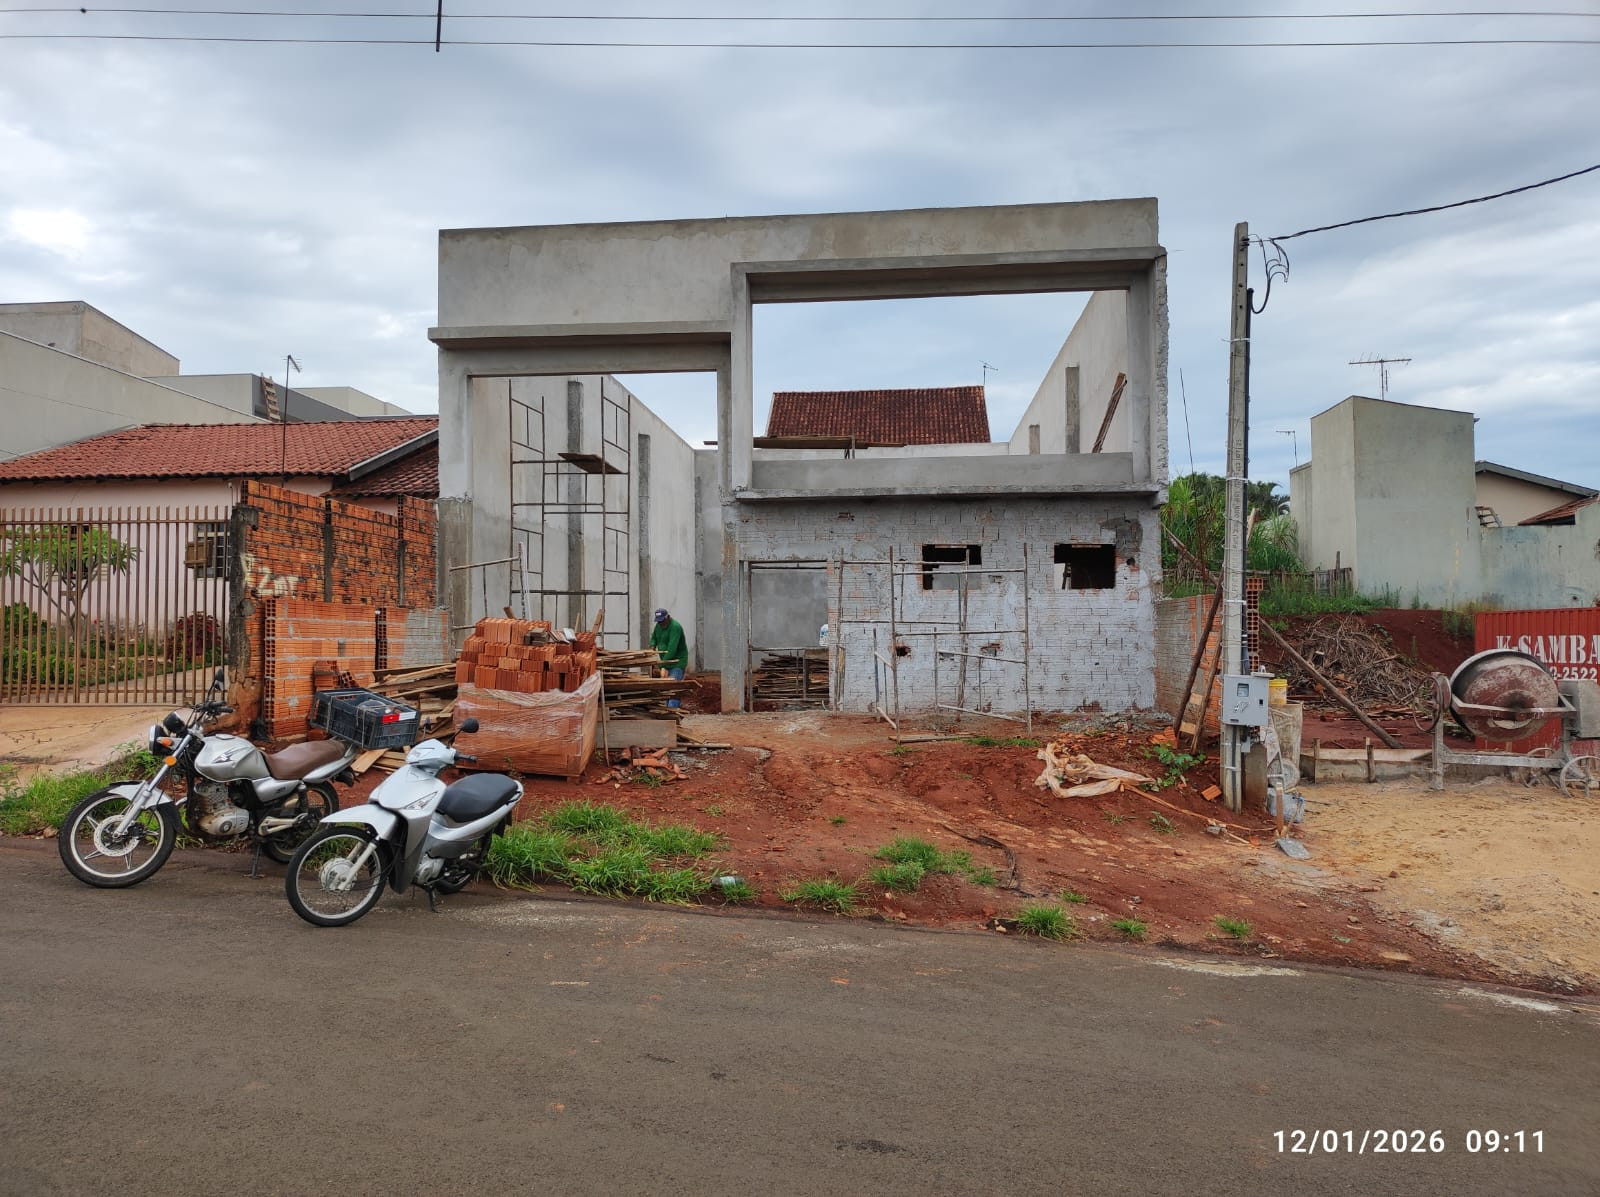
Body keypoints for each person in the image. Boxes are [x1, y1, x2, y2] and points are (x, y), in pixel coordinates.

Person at [650, 607, 688, 709]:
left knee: (673, 689)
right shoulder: (658, 626)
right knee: (666, 689)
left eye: (662, 621)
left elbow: (672, 649)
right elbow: (654, 638)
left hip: (677, 663)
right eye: (658, 621)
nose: (661, 624)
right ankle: (668, 715)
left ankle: (672, 713)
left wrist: (662, 665)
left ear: (668, 617)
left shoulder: (675, 627)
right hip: (666, 662)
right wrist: (652, 646)